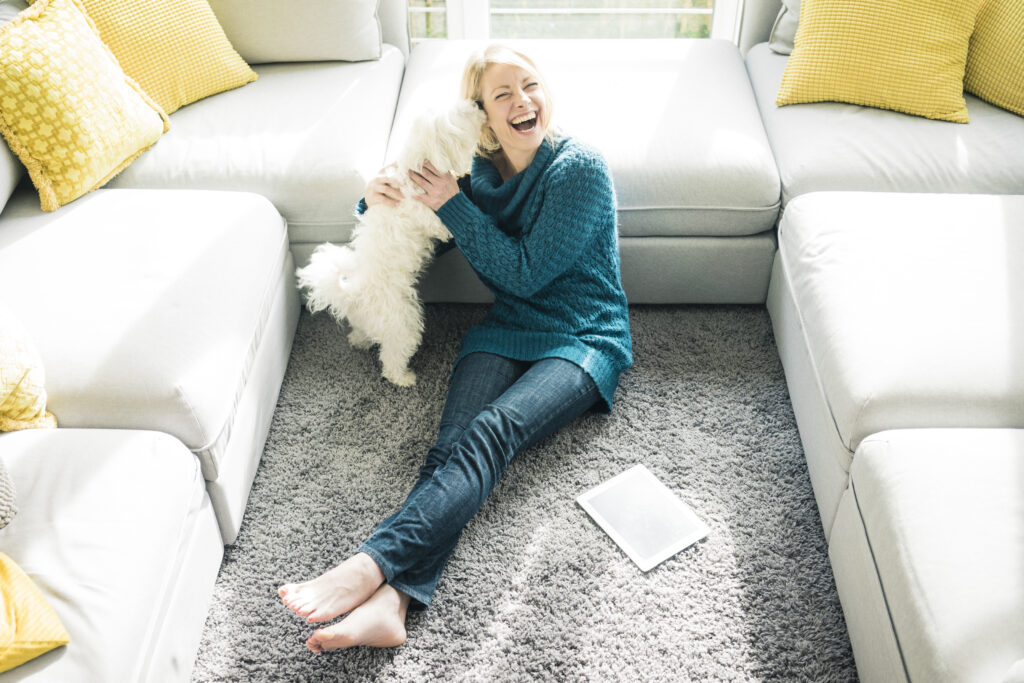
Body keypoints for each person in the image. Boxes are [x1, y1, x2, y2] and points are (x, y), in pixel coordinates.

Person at [278, 44, 633, 652]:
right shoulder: (477, 173)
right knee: (448, 451)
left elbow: (524, 272)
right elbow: (424, 234)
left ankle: (368, 566)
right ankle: (393, 603)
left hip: (583, 335)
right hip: (506, 326)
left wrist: (451, 202)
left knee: (493, 433)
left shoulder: (579, 167)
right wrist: (377, 198)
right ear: (485, 116)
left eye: (530, 85)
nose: (523, 102)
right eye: (503, 95)